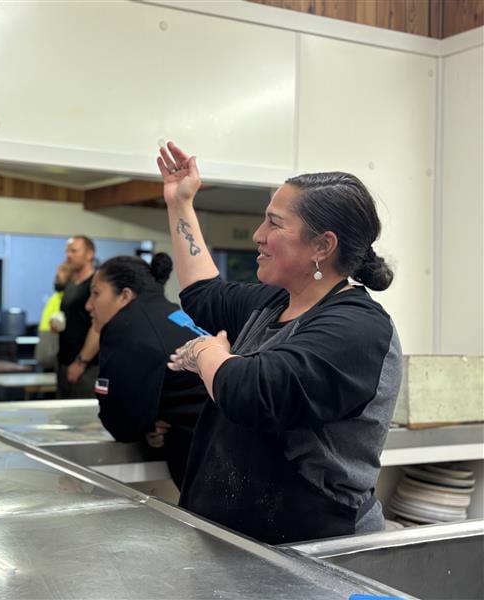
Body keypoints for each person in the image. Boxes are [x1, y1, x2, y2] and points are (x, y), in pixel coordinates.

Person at [158, 141, 402, 544]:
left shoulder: (358, 328)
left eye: (274, 223)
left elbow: (252, 392)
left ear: (323, 245)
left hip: (309, 548)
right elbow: (203, 294)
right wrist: (180, 203)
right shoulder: (273, 303)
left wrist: (204, 352)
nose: (258, 235)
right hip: (236, 540)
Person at [85, 253, 209, 488]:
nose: (89, 305)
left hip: (203, 458)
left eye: (96, 293)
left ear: (124, 295)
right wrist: (151, 421)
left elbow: (120, 421)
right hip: (232, 440)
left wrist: (144, 425)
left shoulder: (125, 328)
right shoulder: (173, 313)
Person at [55, 236, 99, 398]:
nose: (68, 255)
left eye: (74, 251)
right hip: (64, 362)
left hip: (86, 367)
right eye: (67, 251)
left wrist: (81, 362)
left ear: (90, 254)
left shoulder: (96, 284)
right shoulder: (71, 283)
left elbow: (98, 326)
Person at [35, 262, 72, 370]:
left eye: (63, 271)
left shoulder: (71, 299)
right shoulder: (55, 297)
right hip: (46, 360)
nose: (57, 275)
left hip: (59, 362)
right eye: (57, 271)